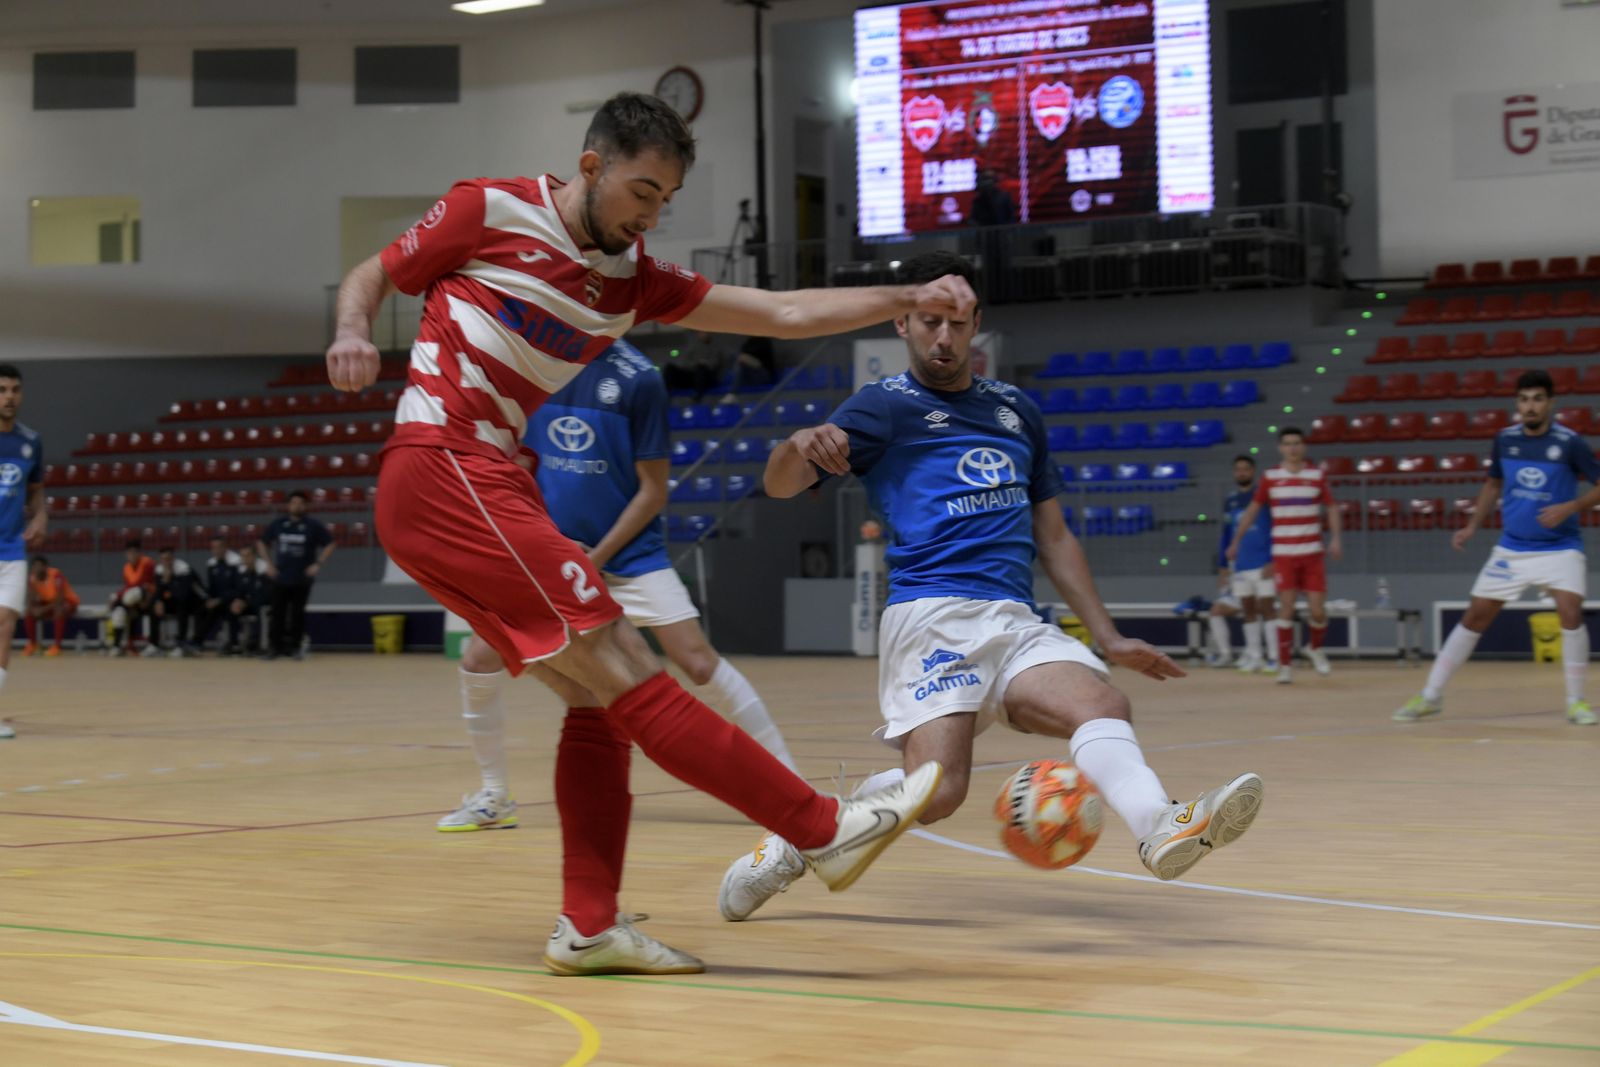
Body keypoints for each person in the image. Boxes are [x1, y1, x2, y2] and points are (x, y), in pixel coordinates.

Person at [325, 91, 959, 976]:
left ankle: (588, 927)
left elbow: (781, 313)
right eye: (642, 192)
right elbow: (373, 271)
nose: (651, 215)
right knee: (625, 657)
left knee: (598, 700)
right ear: (591, 166)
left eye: (667, 200)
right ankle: (820, 828)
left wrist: (908, 295)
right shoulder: (488, 209)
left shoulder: (634, 282)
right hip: (445, 464)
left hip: (480, 479)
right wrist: (352, 330)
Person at [716, 251, 1264, 923]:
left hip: (1014, 617)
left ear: (977, 323)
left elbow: (1054, 535)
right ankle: (794, 840)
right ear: (903, 323)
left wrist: (1109, 635)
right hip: (933, 615)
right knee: (939, 791)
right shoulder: (881, 407)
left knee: (1101, 701)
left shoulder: (1015, 410)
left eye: (958, 322)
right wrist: (799, 443)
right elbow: (779, 485)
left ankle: (1158, 825)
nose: (944, 337)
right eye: (930, 321)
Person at [439, 339, 798, 832]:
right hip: (553, 558)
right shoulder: (531, 365)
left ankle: (794, 788)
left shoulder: (639, 378)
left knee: (697, 661)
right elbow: (513, 465)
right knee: (479, 660)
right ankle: (494, 796)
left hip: (628, 556)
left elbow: (653, 491)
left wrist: (597, 558)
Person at [1396, 370, 1599, 725]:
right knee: (1475, 616)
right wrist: (1472, 525)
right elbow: (1492, 485)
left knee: (1570, 612)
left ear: (1551, 403)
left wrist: (1571, 507)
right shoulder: (1504, 439)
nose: (1530, 406)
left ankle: (1576, 702)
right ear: (1517, 403)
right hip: (1512, 549)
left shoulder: (1570, 443)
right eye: (1524, 399)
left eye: (1537, 399)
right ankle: (1430, 696)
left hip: (1560, 547)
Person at [1227, 428, 1342, 685]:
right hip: (1284, 555)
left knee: (1317, 610)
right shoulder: (1271, 477)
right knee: (1286, 608)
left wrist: (1335, 538)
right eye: (1287, 443)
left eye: (1296, 443)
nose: (1292, 448)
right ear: (1280, 448)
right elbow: (1252, 510)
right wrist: (1236, 540)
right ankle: (1285, 666)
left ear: (1303, 447)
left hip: (1312, 553)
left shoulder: (1316, 475)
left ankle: (1314, 648)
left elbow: (1332, 506)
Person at [0, 364, 46, 739]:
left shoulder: (31, 442)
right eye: (2, 390)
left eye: (15, 390)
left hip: (12, 549)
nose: (9, 397)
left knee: (5, 624)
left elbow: (36, 492)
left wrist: (42, 516)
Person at [1209, 455, 1277, 673]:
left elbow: (1276, 528)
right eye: (1238, 469)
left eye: (1245, 469)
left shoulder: (1264, 497)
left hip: (1263, 562)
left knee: (1267, 608)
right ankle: (1255, 656)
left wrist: (1273, 559)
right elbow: (1227, 535)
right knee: (1248, 610)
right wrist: (1224, 566)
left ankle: (1275, 657)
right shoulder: (1230, 501)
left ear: (1253, 471)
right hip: (1240, 564)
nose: (1241, 473)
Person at [256, 491, 335, 661]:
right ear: (288, 505)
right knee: (277, 613)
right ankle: (274, 648)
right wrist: (268, 564)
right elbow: (262, 542)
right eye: (294, 503)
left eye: (300, 503)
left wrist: (318, 564)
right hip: (280, 577)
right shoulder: (279, 524)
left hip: (302, 578)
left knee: (297, 614)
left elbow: (330, 543)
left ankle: (295, 648)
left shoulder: (312, 525)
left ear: (305, 506)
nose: (297, 506)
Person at [149, 547, 206, 657]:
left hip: (191, 602)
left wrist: (168, 580)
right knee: (153, 606)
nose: (166, 562)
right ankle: (154, 644)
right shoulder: (159, 570)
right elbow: (158, 591)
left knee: (182, 607)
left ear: (173, 558)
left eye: (168, 559)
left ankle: (181, 644)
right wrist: (159, 601)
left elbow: (183, 594)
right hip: (172, 601)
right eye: (163, 559)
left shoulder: (184, 569)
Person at [106, 539, 156, 657]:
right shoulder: (126, 568)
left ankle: (119, 604)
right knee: (118, 613)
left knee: (131, 595)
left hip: (147, 599)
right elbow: (128, 586)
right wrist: (117, 596)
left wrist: (118, 597)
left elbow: (143, 584)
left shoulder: (147, 563)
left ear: (139, 553)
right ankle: (116, 646)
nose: (132, 555)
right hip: (132, 602)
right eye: (129, 553)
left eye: (134, 552)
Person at [25, 555, 78, 657]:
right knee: (29, 612)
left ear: (45, 567)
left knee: (59, 610)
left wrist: (42, 610)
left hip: (68, 602)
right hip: (48, 604)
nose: (36, 569)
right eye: (34, 566)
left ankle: (57, 647)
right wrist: (33, 608)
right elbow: (30, 597)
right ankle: (33, 644)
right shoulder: (32, 578)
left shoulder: (56, 575)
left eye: (39, 566)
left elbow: (59, 600)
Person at [228, 544, 273, 655]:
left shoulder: (264, 571)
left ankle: (262, 646)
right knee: (232, 609)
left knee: (262, 611)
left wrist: (246, 602)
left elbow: (266, 596)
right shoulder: (242, 573)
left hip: (265, 605)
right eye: (242, 556)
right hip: (250, 605)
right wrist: (237, 601)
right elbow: (240, 592)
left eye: (247, 555)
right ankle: (235, 644)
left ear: (254, 556)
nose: (245, 559)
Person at [199, 536, 241, 651]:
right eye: (213, 548)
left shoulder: (236, 562)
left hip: (232, 599)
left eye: (219, 547)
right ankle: (197, 641)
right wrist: (208, 599)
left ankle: (234, 644)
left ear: (225, 547)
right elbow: (211, 588)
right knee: (200, 608)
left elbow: (238, 589)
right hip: (217, 601)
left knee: (232, 608)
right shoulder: (211, 564)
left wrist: (219, 600)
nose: (216, 550)